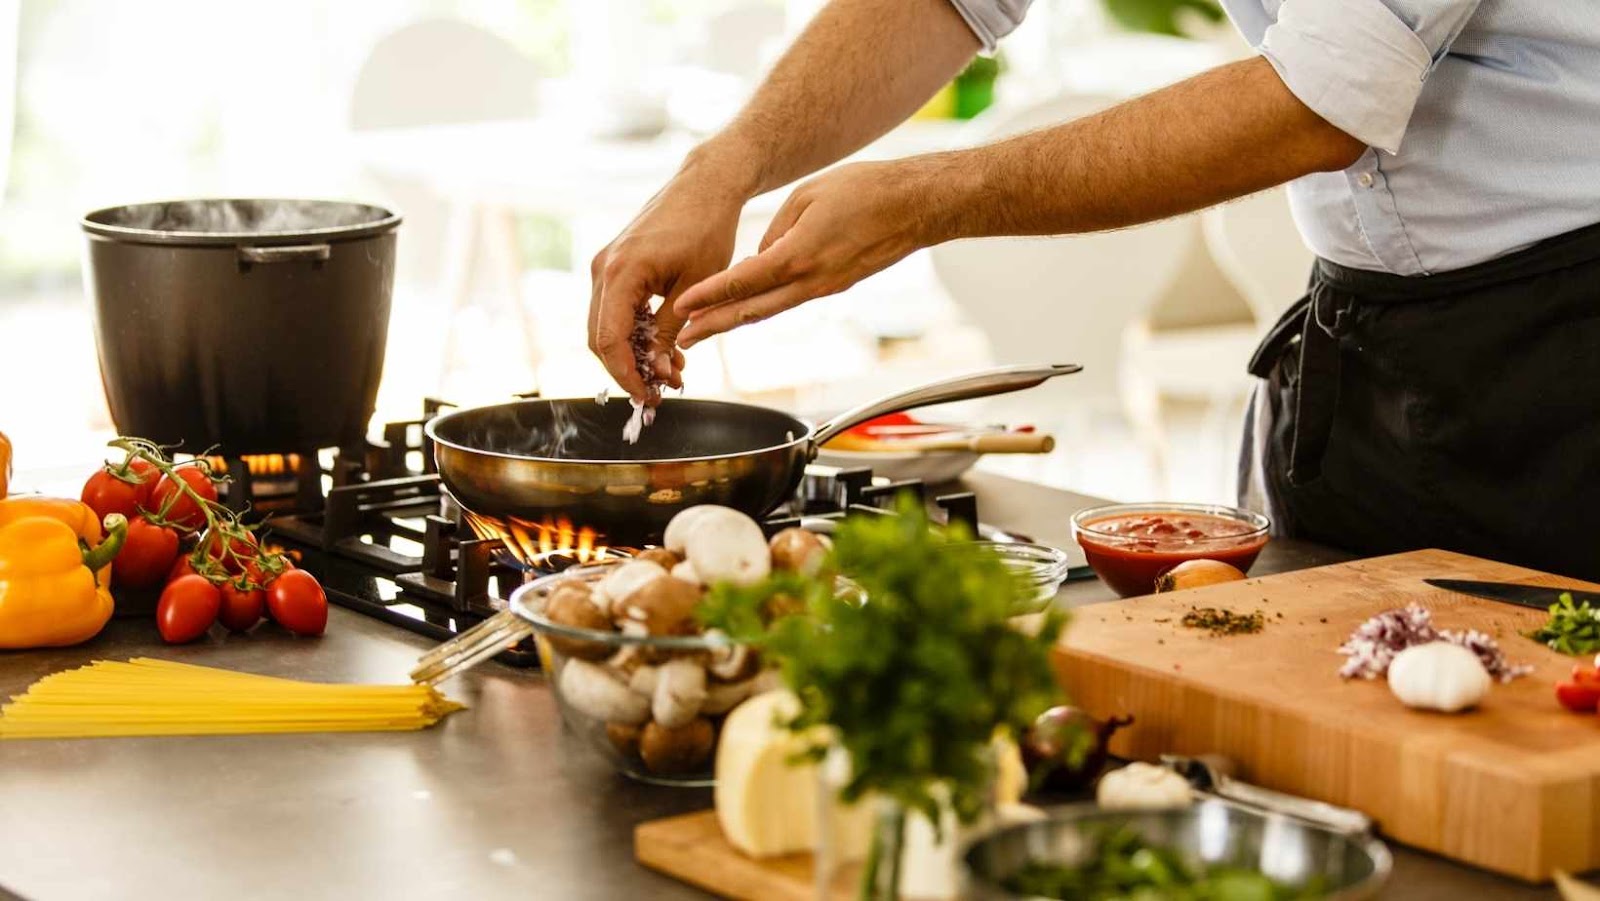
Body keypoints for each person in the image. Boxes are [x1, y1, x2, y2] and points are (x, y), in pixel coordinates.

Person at [587, 0, 1600, 579]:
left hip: (1568, 346)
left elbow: (1320, 100)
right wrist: (721, 169)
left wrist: (930, 198)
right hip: (1364, 342)